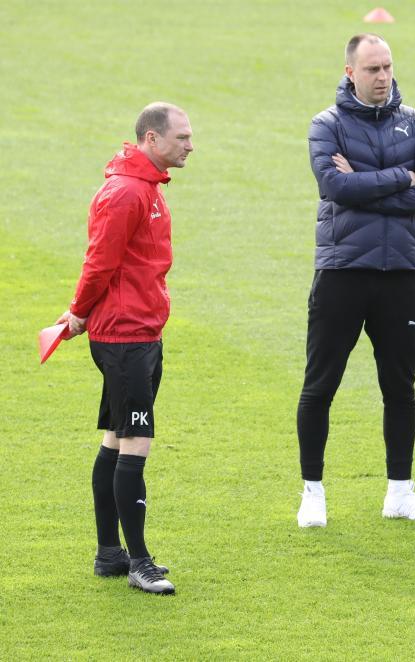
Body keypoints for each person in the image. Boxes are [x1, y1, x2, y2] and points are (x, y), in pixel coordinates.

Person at [296, 33, 415, 528]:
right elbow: (333, 186)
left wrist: (366, 182)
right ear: (350, 73)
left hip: (400, 274)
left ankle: (400, 493)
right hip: (342, 272)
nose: (383, 78)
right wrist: (400, 177)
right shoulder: (327, 125)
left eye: (387, 68)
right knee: (321, 385)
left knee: (400, 386)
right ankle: (313, 493)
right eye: (372, 70)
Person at [56, 102, 193, 593]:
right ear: (151, 140)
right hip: (125, 337)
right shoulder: (126, 193)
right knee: (136, 441)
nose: (189, 146)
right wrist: (77, 312)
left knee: (116, 439)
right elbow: (99, 262)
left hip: (140, 332)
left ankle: (109, 554)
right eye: (181, 138)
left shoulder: (148, 188)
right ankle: (139, 562)